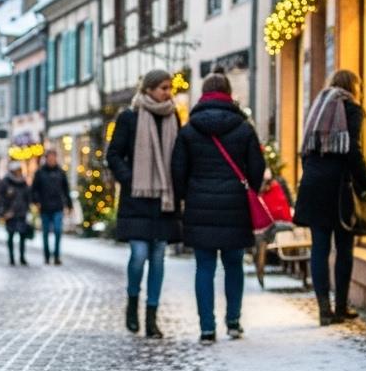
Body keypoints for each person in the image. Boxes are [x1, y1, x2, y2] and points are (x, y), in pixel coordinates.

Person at [172, 73, 265, 342]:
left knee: (204, 267)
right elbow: (257, 166)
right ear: (228, 93)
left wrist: (185, 196)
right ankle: (233, 321)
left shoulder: (189, 130)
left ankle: (207, 327)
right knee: (234, 264)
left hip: (200, 205)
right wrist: (250, 189)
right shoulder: (244, 128)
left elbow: (178, 170)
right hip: (235, 204)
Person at [293, 70, 366, 325]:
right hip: (339, 187)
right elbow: (352, 150)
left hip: (313, 183)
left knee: (319, 247)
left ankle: (323, 309)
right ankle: (340, 306)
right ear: (354, 87)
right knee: (344, 247)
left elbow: (305, 150)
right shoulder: (351, 108)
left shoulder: (318, 107)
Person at [106, 70, 182, 338]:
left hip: (163, 200)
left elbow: (179, 157)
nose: (167, 92)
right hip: (137, 198)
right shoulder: (129, 117)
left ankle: (152, 317)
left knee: (159, 258)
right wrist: (130, 179)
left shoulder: (173, 116)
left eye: (169, 88)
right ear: (149, 89)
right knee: (138, 256)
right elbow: (113, 154)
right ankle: (132, 303)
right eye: (163, 88)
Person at [31, 151, 72, 265]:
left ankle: (57, 256)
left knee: (58, 231)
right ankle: (47, 255)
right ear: (46, 158)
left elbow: (66, 189)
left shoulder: (60, 172)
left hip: (58, 206)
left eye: (53, 158)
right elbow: (34, 189)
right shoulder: (40, 173)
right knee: (45, 233)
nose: (52, 160)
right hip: (44, 207)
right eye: (50, 158)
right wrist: (36, 202)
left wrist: (69, 205)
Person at [0, 164, 33, 266]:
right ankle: (11, 258)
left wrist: (28, 207)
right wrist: (3, 212)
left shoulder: (23, 182)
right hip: (10, 214)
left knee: (22, 236)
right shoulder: (5, 182)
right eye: (17, 170)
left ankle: (22, 257)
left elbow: (28, 196)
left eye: (20, 170)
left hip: (21, 212)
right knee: (11, 236)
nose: (19, 172)